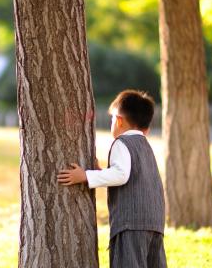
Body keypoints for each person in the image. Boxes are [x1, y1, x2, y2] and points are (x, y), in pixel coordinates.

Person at [57, 90, 167, 268]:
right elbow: (131, 175)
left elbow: (121, 175)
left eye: (112, 119)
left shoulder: (122, 142)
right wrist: (102, 171)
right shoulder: (145, 146)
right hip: (154, 221)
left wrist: (86, 175)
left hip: (131, 222)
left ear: (119, 120)